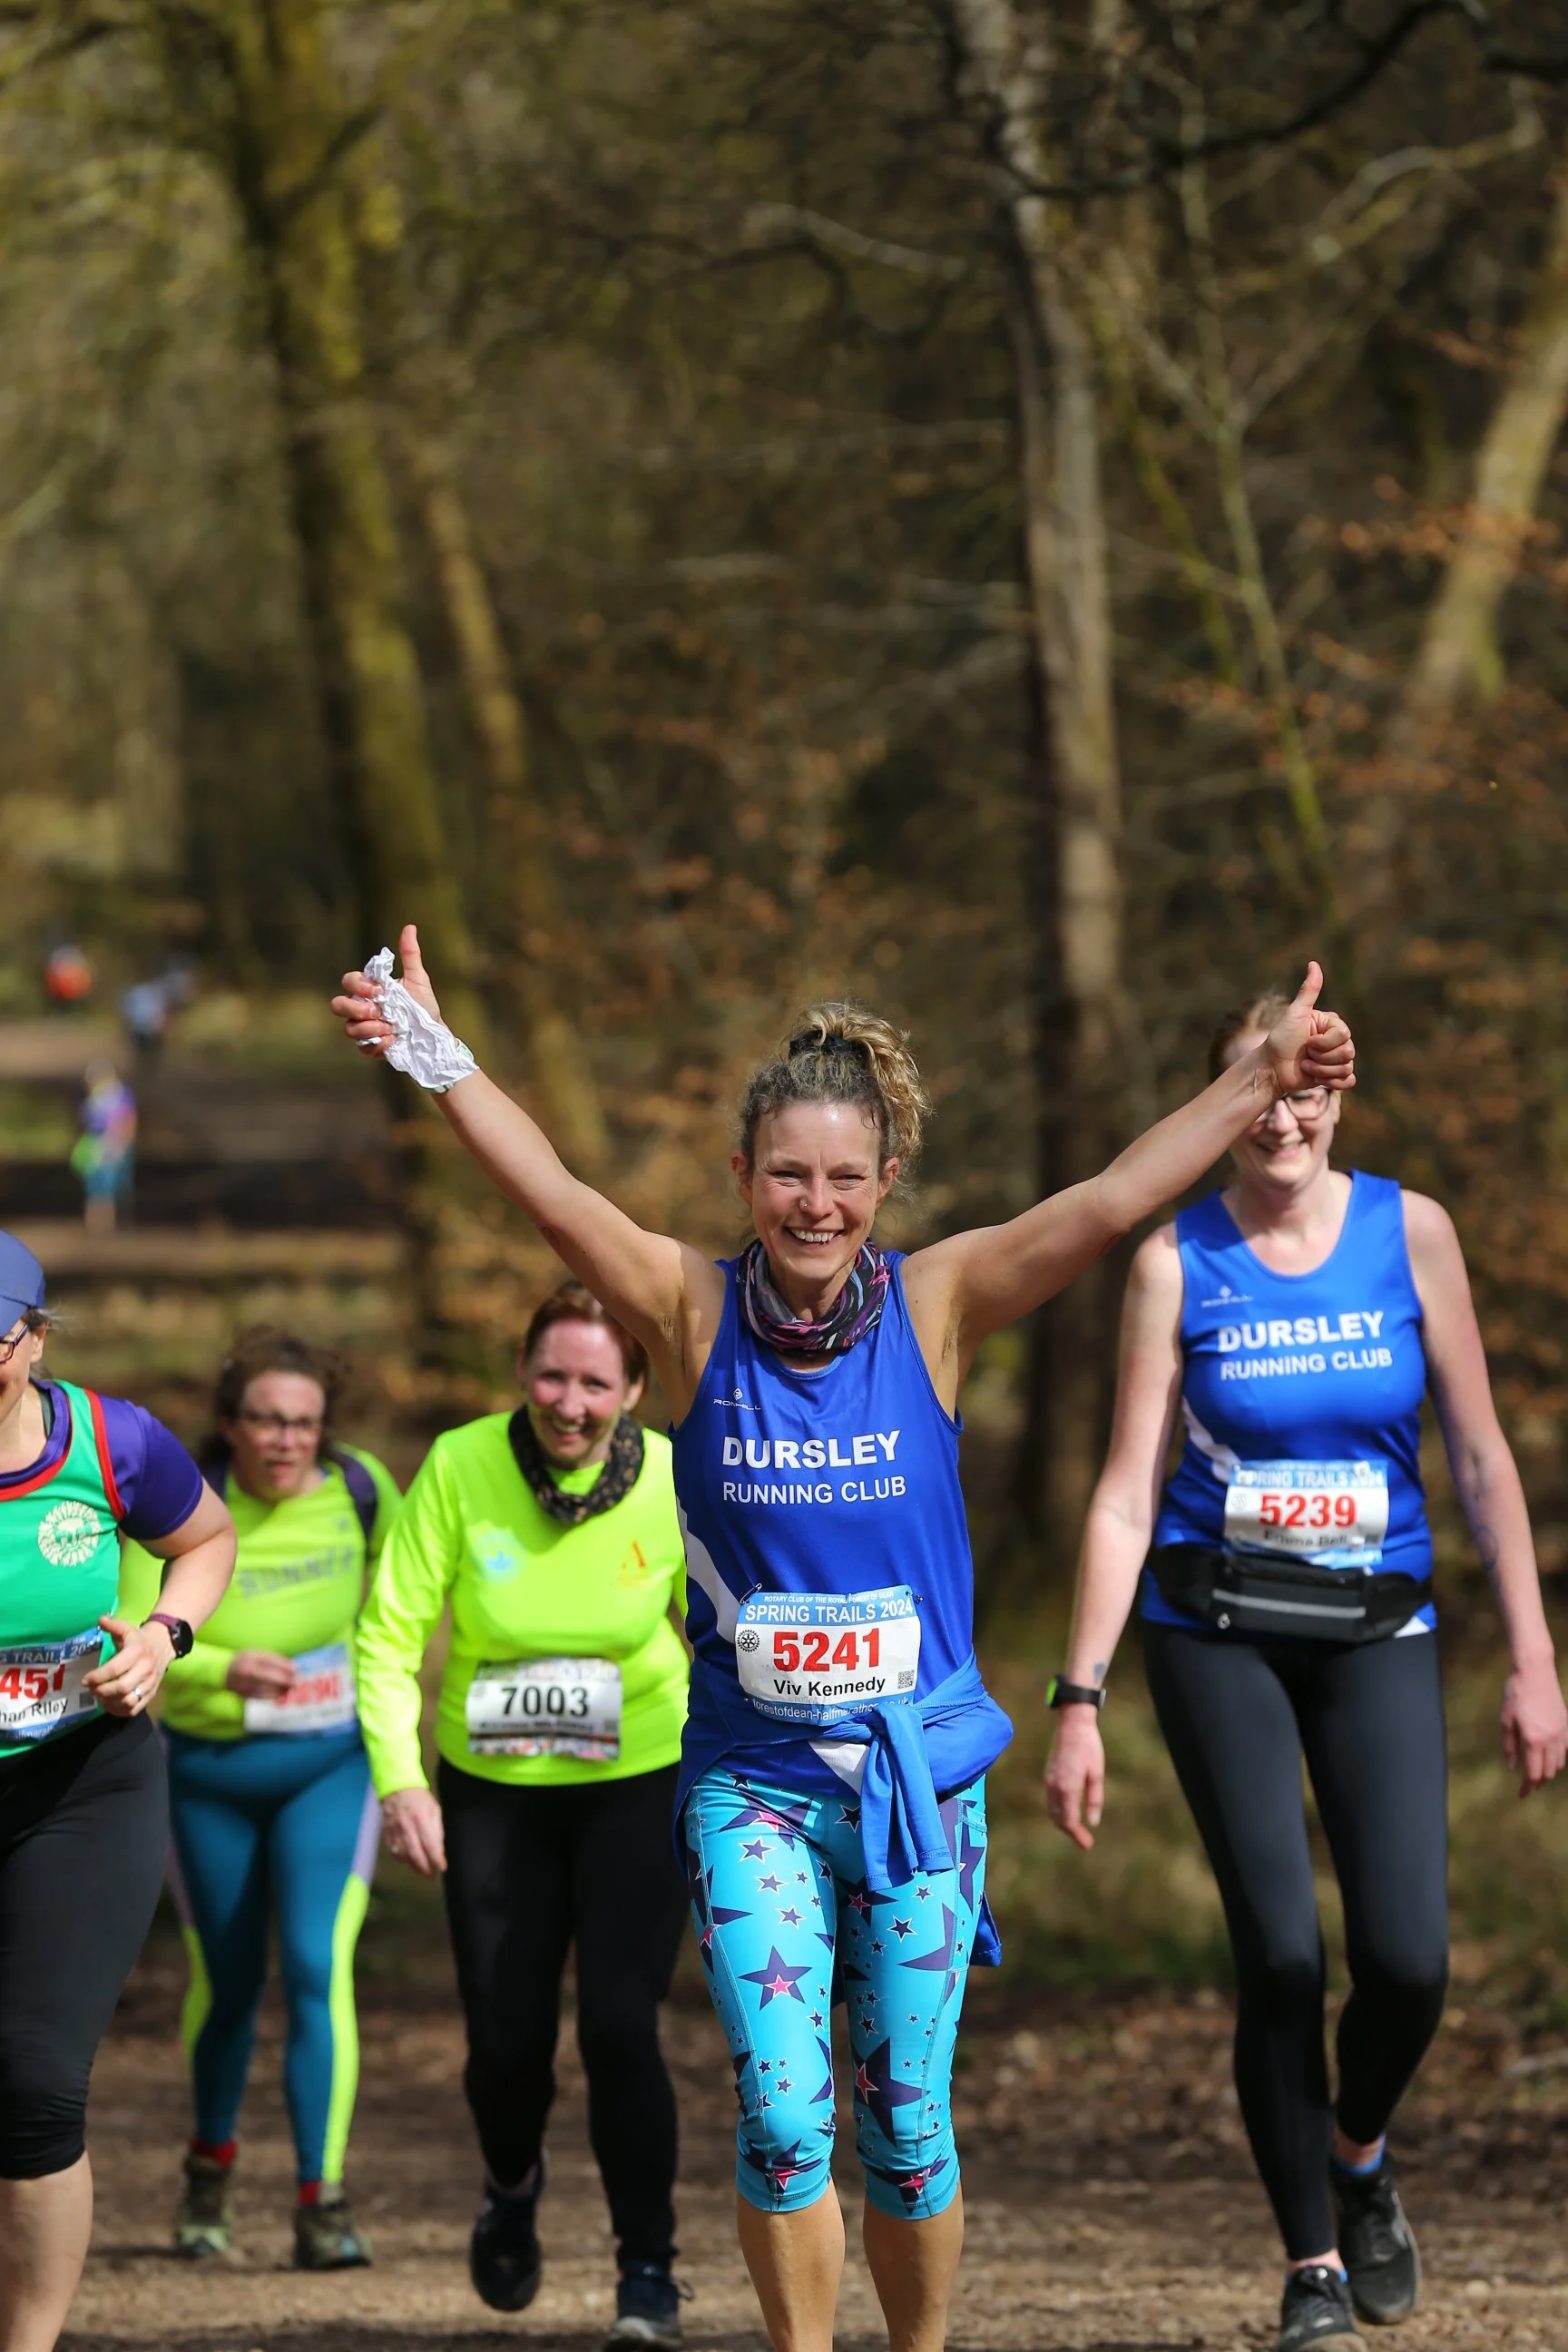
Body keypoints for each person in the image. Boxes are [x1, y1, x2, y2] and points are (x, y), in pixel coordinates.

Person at [333, 928, 1356, 2352]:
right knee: (782, 2108)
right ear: (747, 1181)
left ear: (885, 1187)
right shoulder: (687, 1317)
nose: (816, 1204)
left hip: (916, 1786)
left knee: (909, 2121)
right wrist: (429, 1050)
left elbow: (1117, 1193)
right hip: (751, 1782)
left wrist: (1257, 1080)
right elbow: (553, 1194)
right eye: (789, 1176)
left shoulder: (937, 1306)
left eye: (845, 1178)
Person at [1044, 988, 1568, 2352]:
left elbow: (1481, 1458)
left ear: (1338, 1095)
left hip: (1377, 1626)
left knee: (1408, 1963)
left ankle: (1359, 2149)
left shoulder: (1415, 1234)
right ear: (1220, 1105)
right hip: (1217, 1630)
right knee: (1281, 1953)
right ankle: (1314, 2268)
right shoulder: (1176, 1259)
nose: (1282, 1117)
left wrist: (1534, 1656)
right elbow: (1119, 1495)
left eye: (1304, 1090)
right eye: (1254, 1091)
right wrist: (1080, 1697)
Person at [355, 1280, 691, 2344]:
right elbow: (388, 1632)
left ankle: (648, 2272)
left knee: (621, 2028)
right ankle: (510, 2186)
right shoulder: (460, 1464)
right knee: (508, 2044)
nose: (571, 1401)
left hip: (638, 1774)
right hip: (493, 1791)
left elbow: (735, 1627)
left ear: (635, 1388)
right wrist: (400, 1780)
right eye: (552, 1375)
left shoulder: (679, 1479)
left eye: (597, 1381)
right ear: (520, 1373)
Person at [119, 1328, 400, 2272]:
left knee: (320, 1970)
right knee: (229, 1981)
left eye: (307, 1425)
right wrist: (219, 1672)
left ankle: (322, 2200)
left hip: (328, 1770)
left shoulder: (362, 1491)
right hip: (207, 1776)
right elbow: (122, 1648)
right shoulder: (177, 1505)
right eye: (268, 1421)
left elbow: (395, 1626)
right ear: (232, 1424)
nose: (288, 1441)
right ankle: (209, 2174)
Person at [0, 1230, 235, 2352]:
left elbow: (205, 1539)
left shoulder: (108, 1439)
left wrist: (162, 1634)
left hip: (80, 1784)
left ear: (32, 1340)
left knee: (38, 2085)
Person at [70, 1062, 136, 1238]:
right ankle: (98, 1224)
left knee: (112, 1186)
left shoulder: (119, 1095)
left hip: (114, 1144)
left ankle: (110, 1223)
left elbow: (128, 1119)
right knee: (96, 1186)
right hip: (95, 1146)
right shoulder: (92, 1099)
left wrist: (122, 1143)